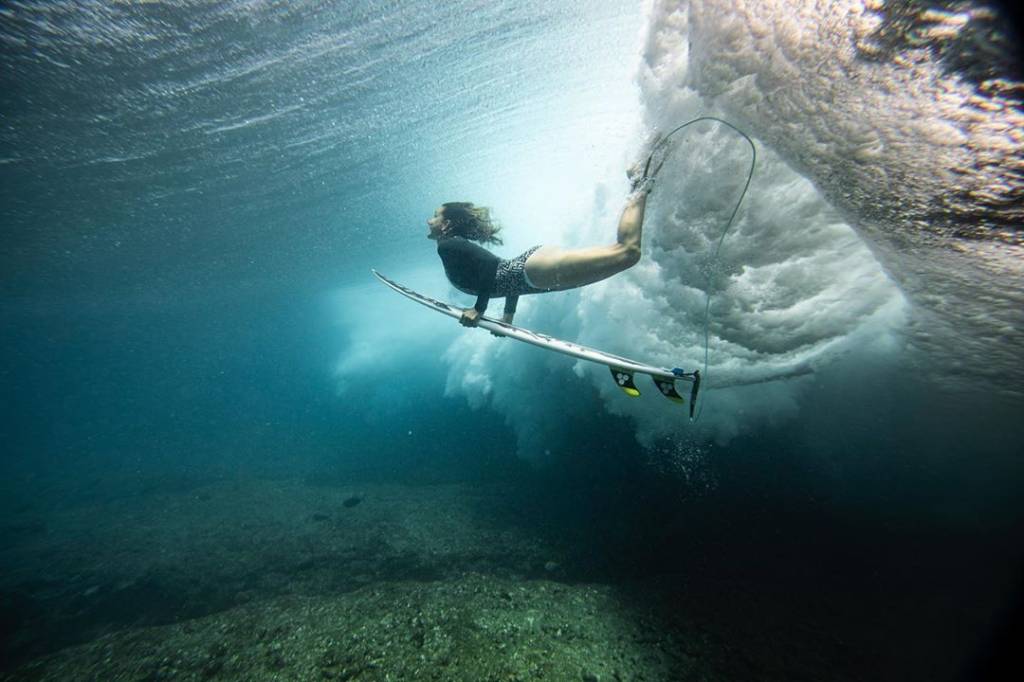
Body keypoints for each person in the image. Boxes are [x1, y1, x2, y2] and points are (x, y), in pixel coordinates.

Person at [426, 147, 665, 330]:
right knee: (624, 256)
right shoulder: (452, 246)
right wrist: (508, 318)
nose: (429, 221)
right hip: (531, 274)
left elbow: (491, 269)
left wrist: (478, 309)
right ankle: (644, 177)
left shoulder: (448, 246)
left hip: (533, 272)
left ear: (447, 224)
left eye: (435, 216)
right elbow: (500, 273)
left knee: (627, 253)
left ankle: (639, 183)